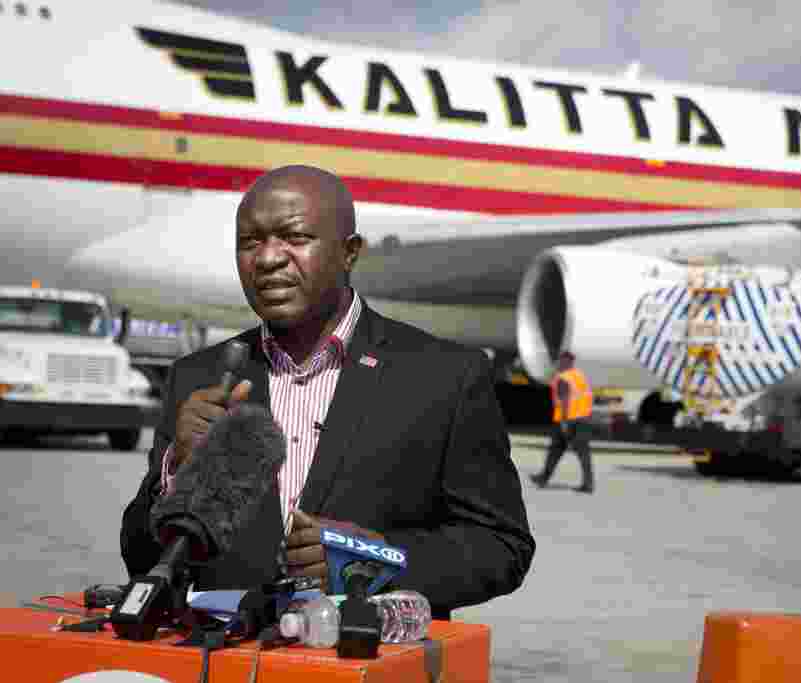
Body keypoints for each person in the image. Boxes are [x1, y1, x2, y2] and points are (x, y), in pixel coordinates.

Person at [120, 165, 535, 620]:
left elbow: (501, 547)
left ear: (349, 252)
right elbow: (141, 557)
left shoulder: (445, 377)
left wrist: (375, 560)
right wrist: (176, 472)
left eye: (294, 238)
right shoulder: (197, 377)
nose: (267, 258)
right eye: (250, 242)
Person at [530, 351, 595, 493]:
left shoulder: (563, 378)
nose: (558, 364)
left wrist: (565, 422)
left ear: (565, 362)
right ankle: (545, 477)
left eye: (560, 361)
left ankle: (544, 477)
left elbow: (565, 400)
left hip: (569, 420)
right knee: (578, 453)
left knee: (557, 450)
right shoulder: (579, 376)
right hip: (583, 418)